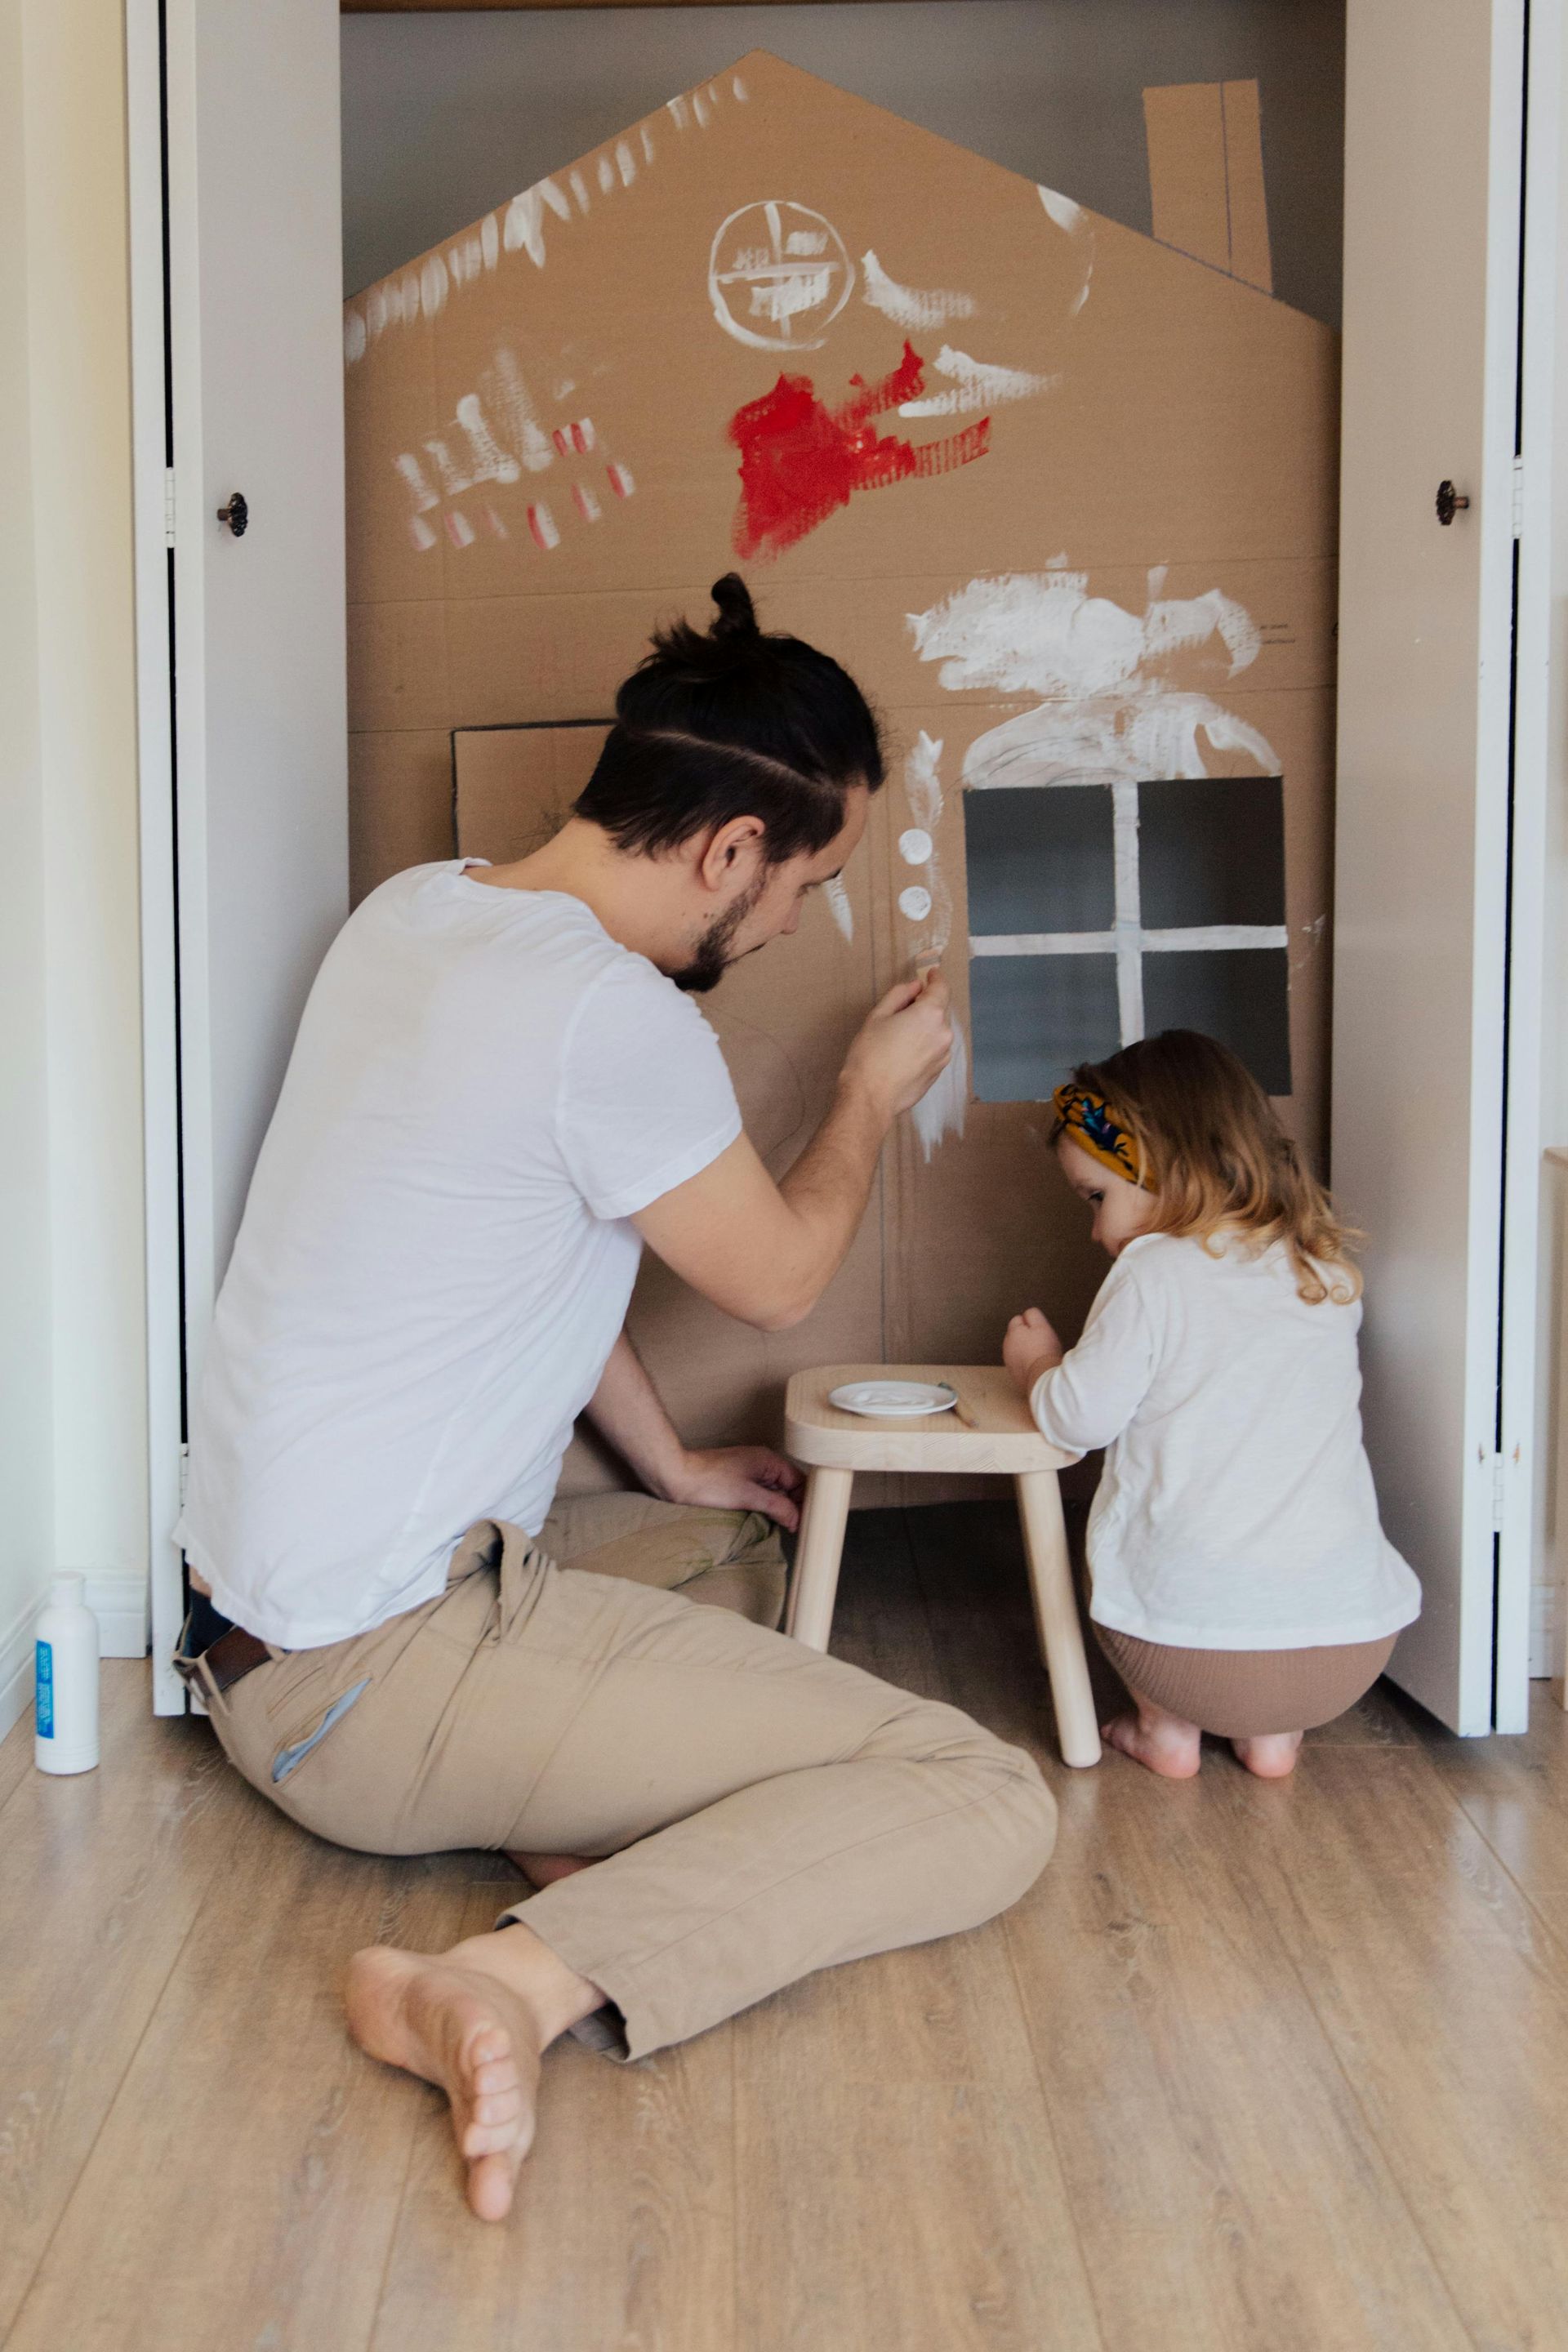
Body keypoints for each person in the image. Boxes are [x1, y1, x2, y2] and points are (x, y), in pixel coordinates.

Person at [173, 575, 1057, 2221]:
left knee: (739, 1554)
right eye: (807, 882)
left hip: (252, 1634)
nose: (796, 923)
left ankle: (560, 1826)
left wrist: (673, 1465)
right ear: (729, 848)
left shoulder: (420, 912)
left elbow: (532, 1270)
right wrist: (867, 1092)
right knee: (980, 1797)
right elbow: (785, 1276)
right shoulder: (610, 1015)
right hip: (366, 1684)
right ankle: (513, 1981)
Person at [1002, 1030, 1421, 1783]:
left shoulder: (1153, 1273)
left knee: (1120, 1542)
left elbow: (1078, 1420)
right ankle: (1274, 1740)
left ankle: (1165, 1728)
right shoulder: (1325, 1269)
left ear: (1161, 1165)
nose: (1099, 1230)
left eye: (1098, 1198)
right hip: (1349, 1651)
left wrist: (1037, 1365)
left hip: (1188, 1657)